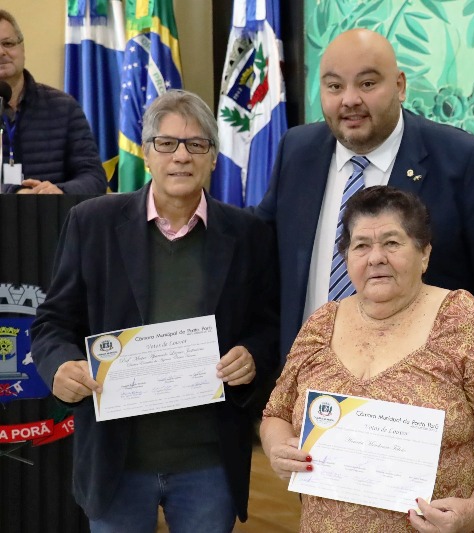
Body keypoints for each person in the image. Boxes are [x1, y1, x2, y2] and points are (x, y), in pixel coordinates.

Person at [31, 90, 279, 532]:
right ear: (146, 154)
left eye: (196, 144)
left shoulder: (249, 234)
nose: (181, 156)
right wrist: (59, 368)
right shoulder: (92, 223)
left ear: (214, 158)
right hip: (117, 460)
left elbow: (268, 324)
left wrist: (253, 354)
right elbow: (52, 323)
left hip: (208, 463)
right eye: (166, 144)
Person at [262, 185, 474, 532]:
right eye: (361, 245)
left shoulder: (462, 320)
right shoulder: (322, 322)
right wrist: (278, 449)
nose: (376, 257)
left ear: (424, 254)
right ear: (346, 258)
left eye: (392, 243)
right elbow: (276, 413)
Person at [253, 28, 474, 358]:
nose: (350, 99)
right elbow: (262, 262)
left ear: (399, 86)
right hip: (310, 391)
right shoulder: (297, 152)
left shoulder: (466, 162)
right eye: (334, 86)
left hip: (423, 394)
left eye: (367, 84)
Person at [0, 9, 105, 194]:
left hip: (55, 217)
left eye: (7, 43)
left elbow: (94, 178)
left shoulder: (64, 107)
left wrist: (59, 192)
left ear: (22, 48)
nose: (1, 52)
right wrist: (13, 193)